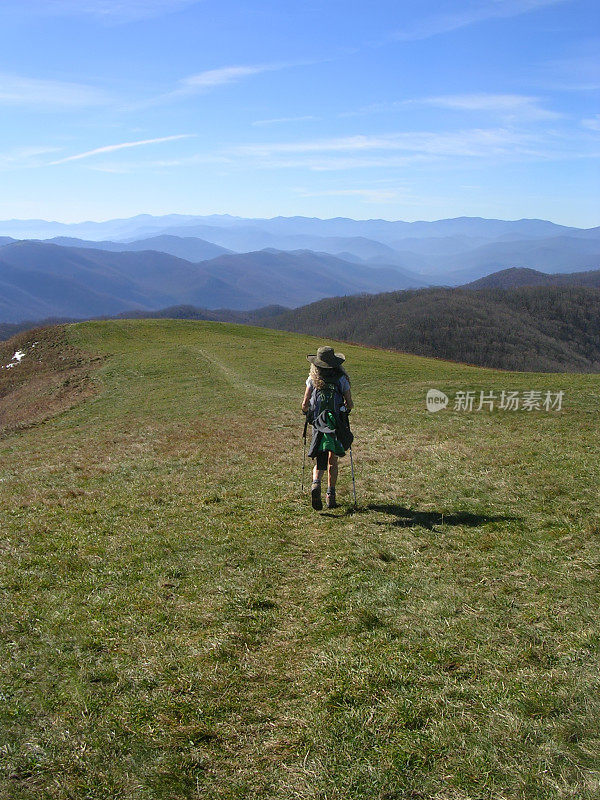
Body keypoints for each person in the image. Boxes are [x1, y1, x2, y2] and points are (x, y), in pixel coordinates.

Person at [301, 346, 354, 510]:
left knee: (320, 458)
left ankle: (316, 482)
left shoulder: (313, 379)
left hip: (318, 423)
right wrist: (346, 410)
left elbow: (304, 404)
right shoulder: (341, 379)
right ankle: (330, 495)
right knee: (333, 460)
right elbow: (349, 403)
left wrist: (307, 412)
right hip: (336, 423)